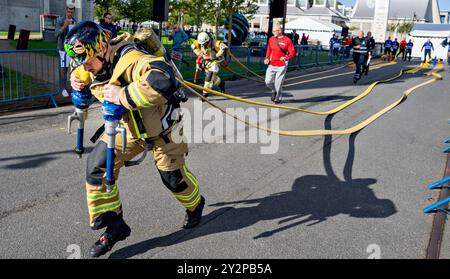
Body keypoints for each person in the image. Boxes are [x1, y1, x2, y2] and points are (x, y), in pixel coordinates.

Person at [65, 21, 205, 258]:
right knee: (97, 166)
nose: (86, 68)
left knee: (173, 179)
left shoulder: (133, 59)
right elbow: (79, 71)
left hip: (165, 130)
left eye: (88, 62)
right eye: (82, 64)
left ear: (101, 49)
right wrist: (74, 80)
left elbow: (162, 80)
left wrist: (123, 95)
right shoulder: (90, 63)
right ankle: (115, 225)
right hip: (129, 130)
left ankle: (195, 205)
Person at [191, 32, 227, 99]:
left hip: (215, 62)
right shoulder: (199, 43)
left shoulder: (214, 43)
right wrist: (199, 53)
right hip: (206, 63)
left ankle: (205, 94)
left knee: (209, 76)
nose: (203, 45)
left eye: (204, 43)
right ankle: (221, 83)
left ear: (208, 40)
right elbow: (194, 46)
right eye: (201, 44)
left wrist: (221, 47)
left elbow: (220, 44)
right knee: (213, 79)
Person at [264, 24, 294, 104]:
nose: (273, 32)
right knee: (268, 81)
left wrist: (286, 58)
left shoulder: (287, 40)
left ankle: (278, 97)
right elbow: (269, 49)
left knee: (278, 83)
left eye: (274, 31)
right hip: (272, 64)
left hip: (282, 65)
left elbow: (292, 52)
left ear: (279, 31)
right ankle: (274, 90)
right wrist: (267, 58)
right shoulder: (271, 39)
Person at [56, 4, 77, 97]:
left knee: (73, 69)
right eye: (68, 11)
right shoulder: (60, 20)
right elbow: (55, 34)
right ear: (66, 11)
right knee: (64, 70)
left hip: (72, 49)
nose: (70, 13)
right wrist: (64, 26)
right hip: (63, 50)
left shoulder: (75, 21)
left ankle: (73, 88)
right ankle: (63, 88)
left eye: (72, 12)